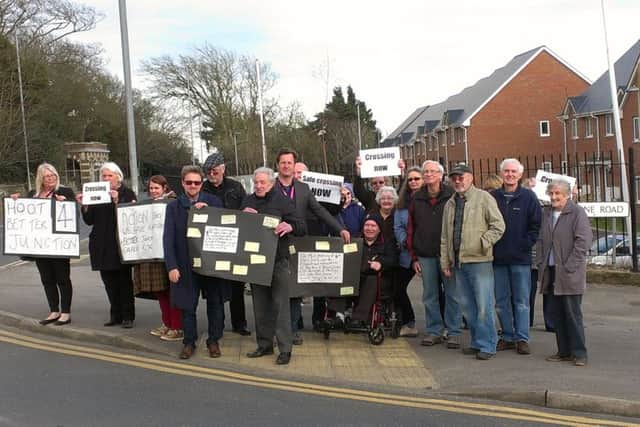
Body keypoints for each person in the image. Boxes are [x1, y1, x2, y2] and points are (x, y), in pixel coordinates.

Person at [274, 149, 349, 346]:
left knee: (296, 289)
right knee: (278, 290)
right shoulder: (270, 187)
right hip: (274, 244)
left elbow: (320, 211)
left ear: (294, 164)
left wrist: (340, 229)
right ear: (278, 166)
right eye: (283, 162)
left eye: (290, 162)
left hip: (298, 242)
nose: (286, 166)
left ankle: (293, 330)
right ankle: (278, 330)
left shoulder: (304, 188)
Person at [163, 165, 230, 360]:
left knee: (215, 304)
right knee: (188, 306)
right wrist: (172, 266)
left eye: (197, 182)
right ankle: (189, 342)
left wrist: (209, 212)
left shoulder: (214, 201)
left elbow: (225, 229)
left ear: (202, 183)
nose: (193, 186)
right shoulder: (173, 207)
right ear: (183, 183)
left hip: (210, 264)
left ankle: (213, 341)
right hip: (185, 264)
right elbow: (168, 239)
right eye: (189, 182)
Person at [242, 167, 306, 365]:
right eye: (256, 182)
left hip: (278, 260)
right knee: (260, 306)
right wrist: (243, 216)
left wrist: (290, 226)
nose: (259, 186)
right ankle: (264, 345)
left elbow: (301, 226)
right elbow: (239, 228)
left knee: (281, 307)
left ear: (271, 183)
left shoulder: (282, 201)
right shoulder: (248, 201)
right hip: (256, 261)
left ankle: (285, 349)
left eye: (263, 182)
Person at [441, 164, 505, 360]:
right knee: (468, 307)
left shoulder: (484, 198)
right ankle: (477, 342)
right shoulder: (450, 203)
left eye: (461, 177)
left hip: (479, 261)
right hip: (458, 263)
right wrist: (445, 262)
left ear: (471, 177)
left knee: (484, 306)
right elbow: (445, 236)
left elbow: (498, 226)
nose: (457, 181)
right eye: (454, 178)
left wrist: (483, 243)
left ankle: (488, 344)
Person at [11, 163, 75, 326]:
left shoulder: (65, 192)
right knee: (47, 279)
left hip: (59, 244)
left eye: (53, 175)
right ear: (41, 178)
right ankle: (54, 310)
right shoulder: (33, 194)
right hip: (40, 245)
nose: (52, 178)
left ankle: (65, 312)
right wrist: (16, 202)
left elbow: (75, 216)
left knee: (62, 278)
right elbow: (24, 215)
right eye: (48, 176)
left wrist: (65, 204)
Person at [536, 179, 591, 367]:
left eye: (557, 193)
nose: (553, 197)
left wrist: (569, 266)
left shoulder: (577, 213)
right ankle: (564, 351)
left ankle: (579, 353)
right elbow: (541, 240)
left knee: (572, 314)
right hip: (550, 271)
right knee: (557, 314)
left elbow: (582, 243)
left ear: (567, 195)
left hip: (569, 273)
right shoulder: (547, 213)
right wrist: (540, 261)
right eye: (551, 193)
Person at [408, 160, 462, 349]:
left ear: (441, 175)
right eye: (426, 171)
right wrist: (414, 257)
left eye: (432, 171)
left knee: (452, 294)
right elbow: (411, 228)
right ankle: (434, 331)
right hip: (425, 254)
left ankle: (454, 331)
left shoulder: (452, 195)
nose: (429, 174)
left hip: (447, 254)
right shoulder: (416, 198)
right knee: (430, 295)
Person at [491, 159, 541, 355]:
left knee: (521, 301)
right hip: (498, 259)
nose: (510, 174)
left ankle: (522, 338)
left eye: (513, 172)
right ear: (501, 173)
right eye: (506, 171)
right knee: (501, 301)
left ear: (520, 175)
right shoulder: (492, 197)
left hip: (521, 259)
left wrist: (525, 244)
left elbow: (536, 225)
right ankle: (507, 336)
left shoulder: (529, 197)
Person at [78, 162, 137, 328]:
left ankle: (128, 316)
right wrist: (85, 205)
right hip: (101, 244)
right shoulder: (97, 192)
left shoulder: (127, 192)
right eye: (104, 175)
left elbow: (130, 217)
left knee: (124, 282)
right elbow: (89, 221)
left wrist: (117, 200)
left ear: (118, 176)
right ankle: (115, 314)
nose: (106, 178)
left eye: (110, 175)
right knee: (109, 282)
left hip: (120, 244)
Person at [201, 152, 251, 337]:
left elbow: (245, 208)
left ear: (223, 169)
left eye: (214, 171)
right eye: (208, 172)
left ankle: (240, 323)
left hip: (235, 241)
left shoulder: (236, 187)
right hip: (212, 243)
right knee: (215, 288)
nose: (211, 175)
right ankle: (217, 326)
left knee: (237, 286)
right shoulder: (202, 188)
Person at [134, 176, 183, 341]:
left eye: (156, 188)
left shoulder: (173, 203)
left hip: (168, 255)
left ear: (164, 188)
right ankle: (167, 323)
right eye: (151, 188)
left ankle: (177, 327)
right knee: (161, 292)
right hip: (153, 254)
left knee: (172, 293)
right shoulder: (148, 205)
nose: (153, 191)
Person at [393, 166, 422, 337]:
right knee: (398, 288)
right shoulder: (402, 204)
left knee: (436, 292)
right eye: (410, 179)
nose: (413, 182)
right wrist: (407, 242)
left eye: (417, 178)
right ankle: (409, 322)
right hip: (407, 254)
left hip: (427, 253)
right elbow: (398, 227)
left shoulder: (428, 200)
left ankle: (445, 326)